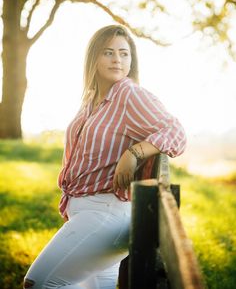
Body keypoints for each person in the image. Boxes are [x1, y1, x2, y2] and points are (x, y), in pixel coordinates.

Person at [23, 24, 186, 289]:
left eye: (124, 53)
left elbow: (176, 132)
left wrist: (134, 152)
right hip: (89, 213)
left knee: (38, 283)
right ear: (94, 58)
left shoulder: (128, 95)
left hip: (106, 214)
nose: (117, 60)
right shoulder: (92, 100)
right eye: (108, 53)